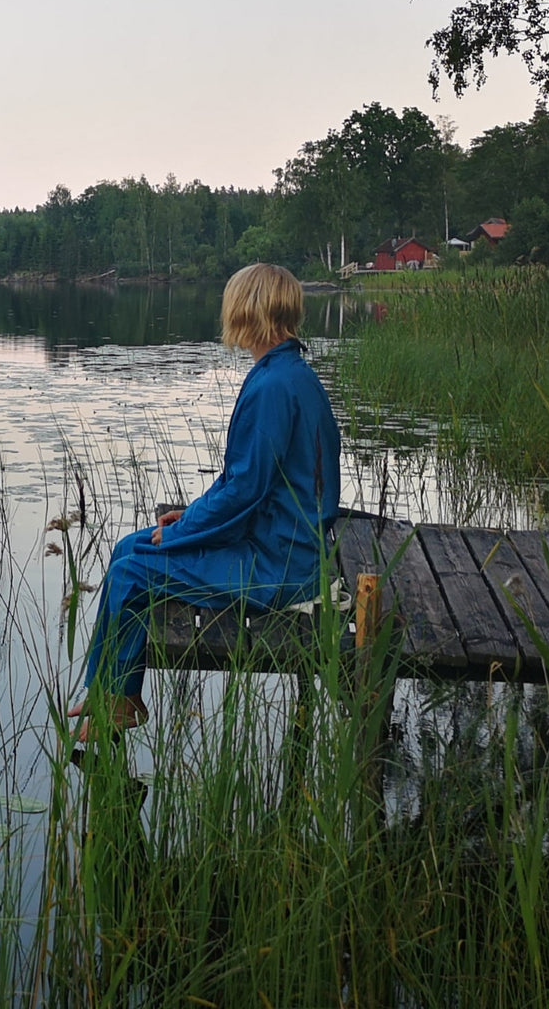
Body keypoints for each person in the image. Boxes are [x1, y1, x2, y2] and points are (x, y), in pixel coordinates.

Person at [69, 263, 341, 740]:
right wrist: (190, 515)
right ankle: (118, 694)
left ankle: (111, 699)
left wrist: (180, 533)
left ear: (246, 310)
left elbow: (244, 491)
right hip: (280, 542)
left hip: (280, 565)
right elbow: (242, 477)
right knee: (128, 548)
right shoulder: (288, 373)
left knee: (131, 572)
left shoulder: (274, 386)